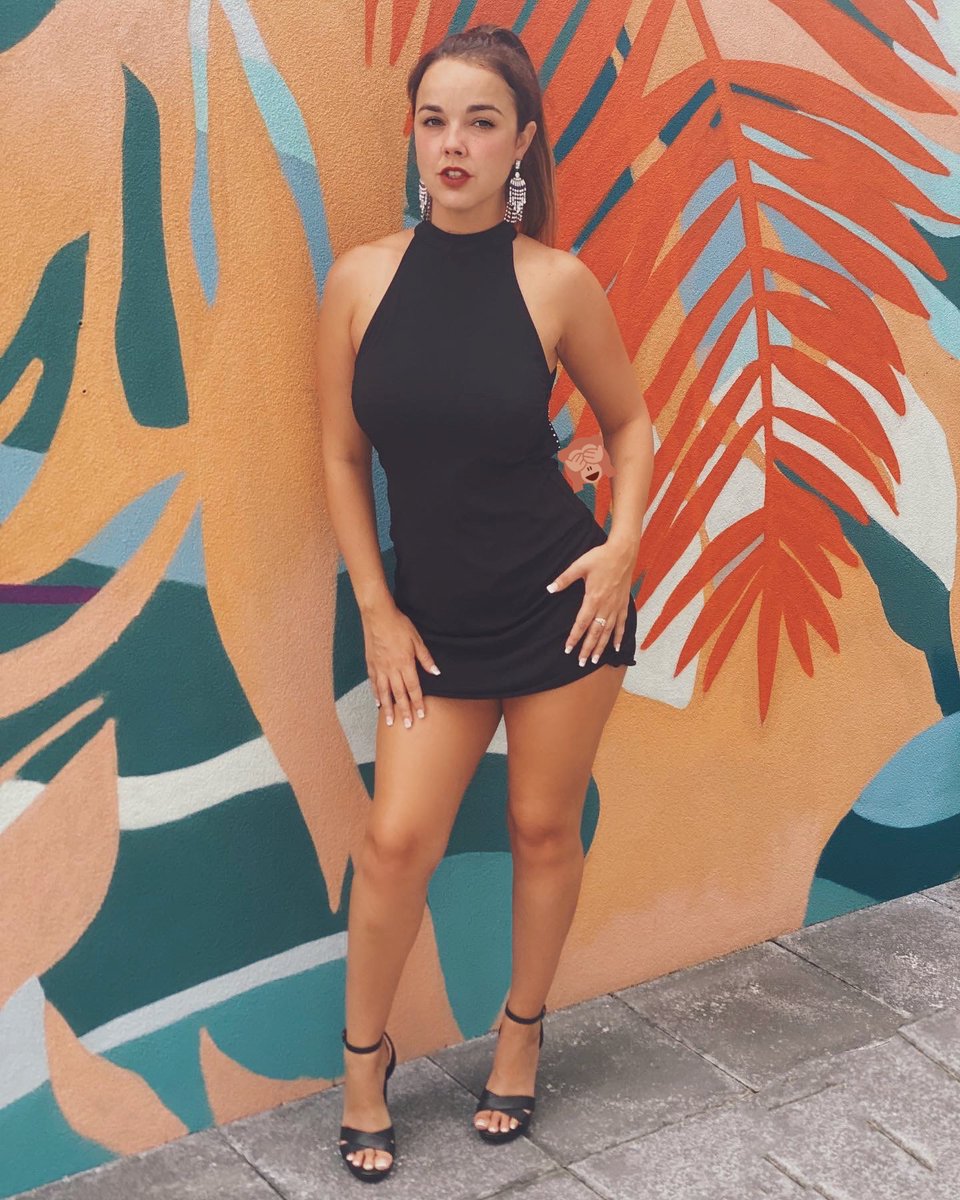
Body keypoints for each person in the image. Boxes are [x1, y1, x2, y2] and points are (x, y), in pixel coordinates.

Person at [315, 22, 654, 1182]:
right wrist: (377, 608)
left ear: (521, 143)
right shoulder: (360, 280)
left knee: (542, 829)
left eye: (480, 122)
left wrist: (620, 550)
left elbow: (631, 425)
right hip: (430, 621)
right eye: (434, 120)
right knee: (394, 842)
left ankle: (521, 1032)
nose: (453, 144)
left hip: (565, 604)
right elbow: (341, 456)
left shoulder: (558, 283)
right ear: (413, 135)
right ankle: (365, 1060)